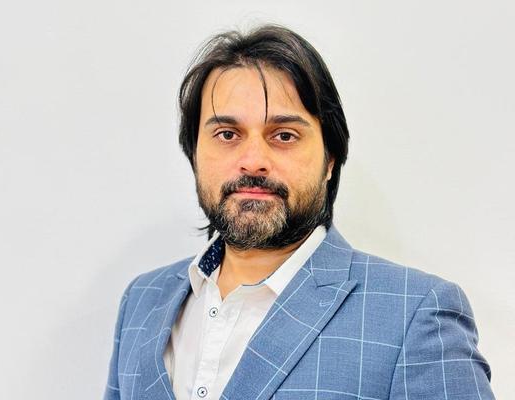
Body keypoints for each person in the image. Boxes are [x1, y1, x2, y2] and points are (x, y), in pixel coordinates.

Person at [104, 25, 495, 400]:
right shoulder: (142, 301)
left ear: (330, 160)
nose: (253, 160)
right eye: (227, 134)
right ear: (194, 154)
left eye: (284, 135)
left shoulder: (416, 314)